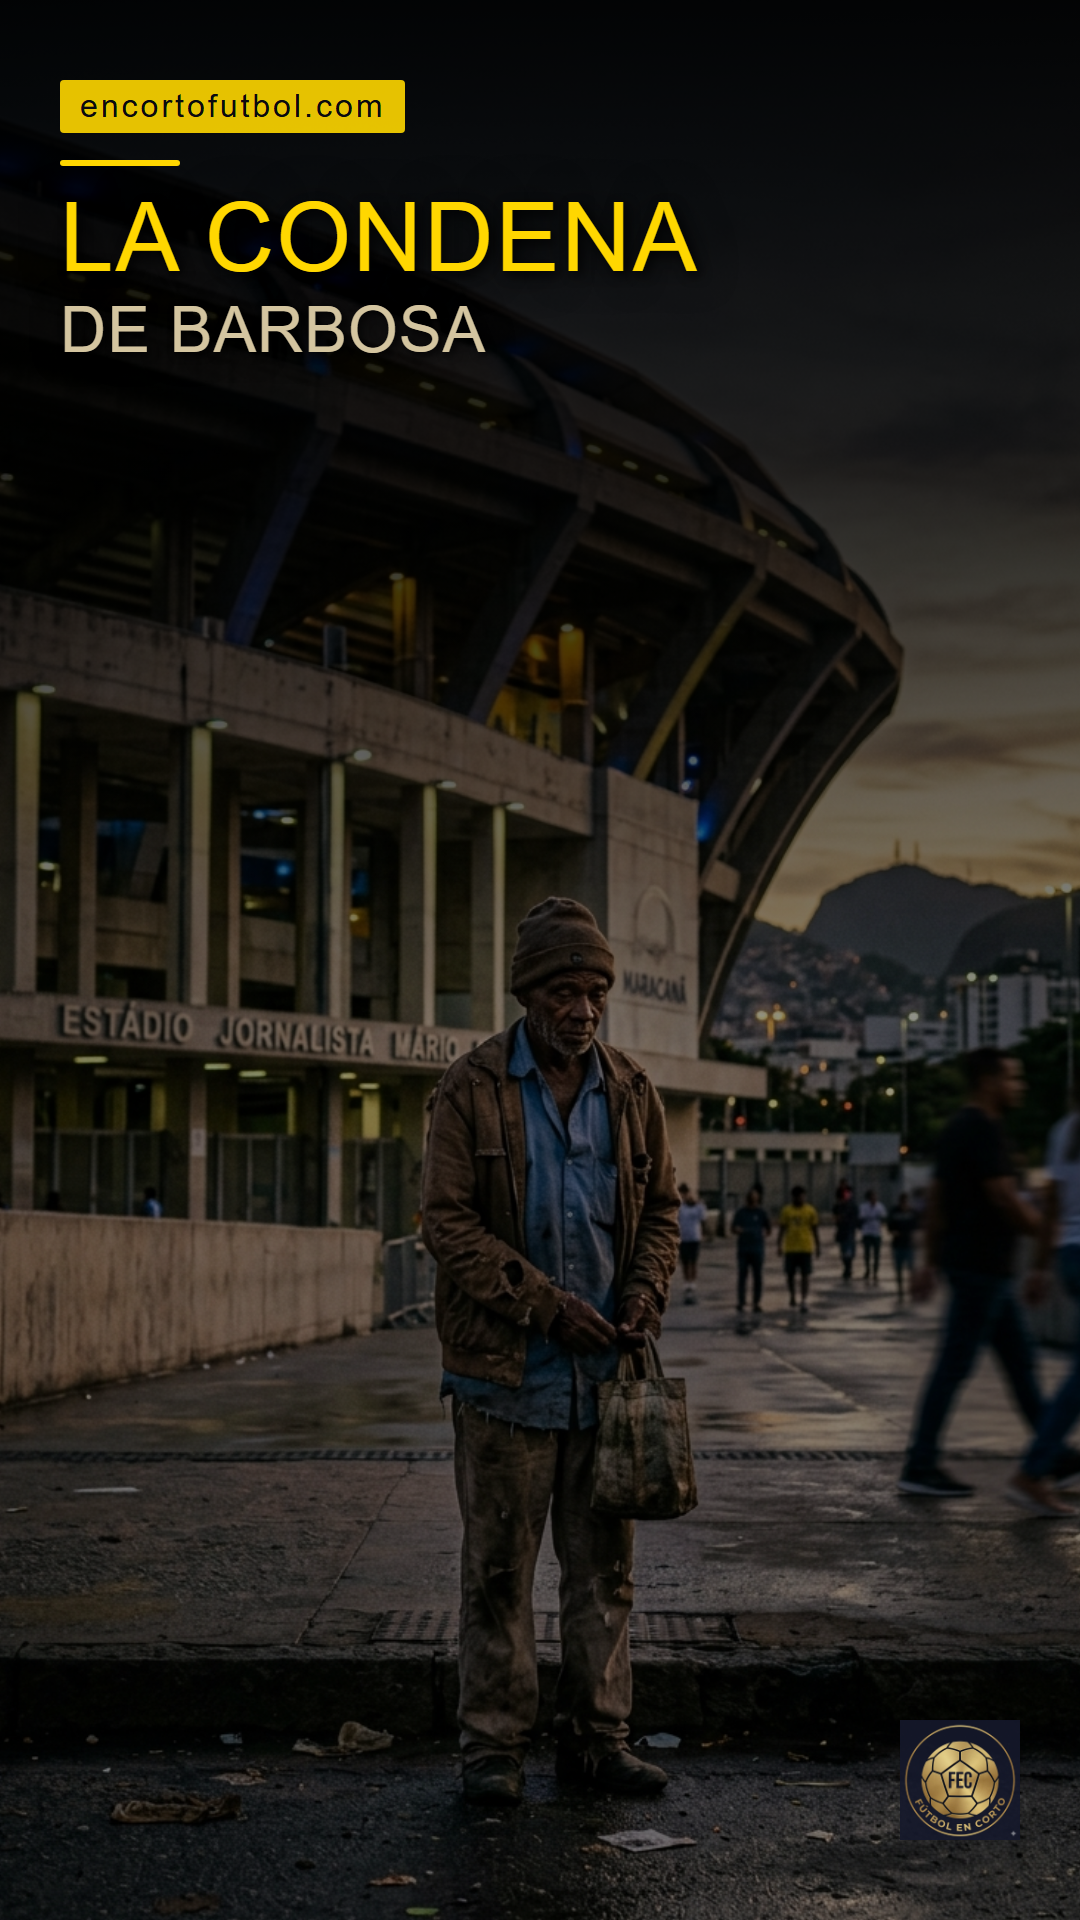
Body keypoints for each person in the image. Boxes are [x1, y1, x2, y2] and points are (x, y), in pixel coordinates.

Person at [422, 897, 680, 1807]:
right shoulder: (471, 1087)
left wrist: (643, 1294)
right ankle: (493, 1750)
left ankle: (598, 1740)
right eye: (566, 992)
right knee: (497, 1572)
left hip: (604, 1382)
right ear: (530, 995)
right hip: (505, 1379)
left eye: (595, 993)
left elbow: (659, 1214)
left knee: (604, 1572)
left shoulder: (633, 1091)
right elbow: (445, 1222)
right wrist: (543, 1307)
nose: (583, 1010)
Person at [898, 1047, 1080, 1498]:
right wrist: (1046, 1235)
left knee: (1020, 1365)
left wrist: (929, 1261)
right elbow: (1003, 1197)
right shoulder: (981, 1128)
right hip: (981, 1269)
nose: (1019, 1086)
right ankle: (920, 1463)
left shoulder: (961, 1127)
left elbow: (938, 1199)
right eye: (1012, 1078)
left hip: (982, 1268)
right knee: (954, 1366)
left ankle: (1051, 1455)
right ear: (988, 1082)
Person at [1008, 1090, 1080, 1514]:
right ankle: (1034, 1470)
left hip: (1068, 1256)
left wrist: (1039, 1266)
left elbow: (1050, 1203)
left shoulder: (1064, 1130)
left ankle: (1036, 1468)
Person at [777, 1184, 820, 1312]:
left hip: (805, 1247)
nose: (801, 1199)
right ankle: (792, 1295)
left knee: (805, 1275)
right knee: (790, 1274)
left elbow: (814, 1229)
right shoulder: (787, 1211)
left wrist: (818, 1246)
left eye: (803, 1196)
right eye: (799, 1197)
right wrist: (779, 1245)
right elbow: (782, 1229)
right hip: (790, 1248)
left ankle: (804, 1299)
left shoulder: (810, 1210)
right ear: (794, 1197)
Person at [731, 1184, 770, 1311]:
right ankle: (741, 1301)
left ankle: (756, 1302)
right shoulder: (741, 1212)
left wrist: (763, 1233)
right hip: (744, 1249)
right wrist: (738, 1230)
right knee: (742, 1275)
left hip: (757, 1248)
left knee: (757, 1276)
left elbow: (768, 1228)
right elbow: (733, 1228)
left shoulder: (761, 1212)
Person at [677, 1182, 709, 1303]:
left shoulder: (698, 1206)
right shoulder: (681, 1207)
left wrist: (705, 1233)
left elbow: (703, 1220)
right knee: (685, 1261)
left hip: (694, 1237)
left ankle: (692, 1282)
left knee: (693, 1261)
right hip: (683, 1238)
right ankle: (687, 1282)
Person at [887, 1192, 917, 1300]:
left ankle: (912, 1290)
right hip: (897, 1245)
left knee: (911, 1270)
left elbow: (916, 1226)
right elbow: (889, 1226)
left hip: (909, 1245)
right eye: (903, 1202)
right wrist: (893, 1232)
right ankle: (900, 1291)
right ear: (900, 1202)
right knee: (898, 1270)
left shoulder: (912, 1212)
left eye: (906, 1202)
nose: (904, 1205)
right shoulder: (894, 1212)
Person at [859, 1188, 887, 1283]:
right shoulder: (864, 1207)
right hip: (867, 1233)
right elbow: (862, 1218)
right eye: (872, 1197)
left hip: (876, 1233)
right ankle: (867, 1270)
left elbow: (883, 1217)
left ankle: (875, 1272)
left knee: (876, 1254)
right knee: (867, 1254)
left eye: (875, 1196)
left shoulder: (880, 1206)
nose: (874, 1198)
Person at [833, 1180, 859, 1281]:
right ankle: (847, 1268)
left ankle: (848, 1267)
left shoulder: (852, 1205)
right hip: (842, 1230)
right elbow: (835, 1216)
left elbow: (856, 1216)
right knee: (844, 1251)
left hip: (850, 1230)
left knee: (850, 1252)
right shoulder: (838, 1205)